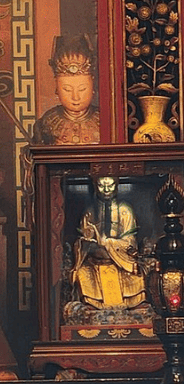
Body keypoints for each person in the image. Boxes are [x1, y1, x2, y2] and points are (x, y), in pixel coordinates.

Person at [71, 175, 146, 312]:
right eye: (101, 185)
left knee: (138, 277)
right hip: (95, 263)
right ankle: (92, 305)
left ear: (117, 187)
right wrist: (91, 245)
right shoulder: (89, 212)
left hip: (121, 263)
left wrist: (109, 243)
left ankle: (134, 304)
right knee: (82, 274)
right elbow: (81, 241)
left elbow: (130, 241)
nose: (106, 189)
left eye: (110, 185)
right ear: (95, 187)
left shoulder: (125, 210)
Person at [32, 34, 101, 145]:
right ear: (57, 89)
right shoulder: (47, 123)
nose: (75, 97)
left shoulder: (103, 121)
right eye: (67, 89)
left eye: (82, 89)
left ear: (93, 88)